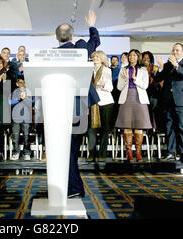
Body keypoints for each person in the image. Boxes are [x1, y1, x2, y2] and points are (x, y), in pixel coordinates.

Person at [56, 10, 100, 198]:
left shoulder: (52, 56)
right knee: (70, 151)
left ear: (56, 37)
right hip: (79, 108)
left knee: (66, 152)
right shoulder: (80, 49)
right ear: (72, 36)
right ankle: (74, 188)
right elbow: (95, 42)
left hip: (60, 108)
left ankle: (73, 188)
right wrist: (91, 25)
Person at [156, 43, 183, 163]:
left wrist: (176, 65)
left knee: (182, 126)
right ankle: (170, 151)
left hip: (182, 100)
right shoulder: (168, 65)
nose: (175, 52)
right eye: (173, 50)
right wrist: (161, 67)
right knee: (169, 126)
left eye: (177, 50)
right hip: (168, 100)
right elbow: (158, 78)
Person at [115, 49, 152, 162]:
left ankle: (138, 152)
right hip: (126, 98)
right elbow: (119, 87)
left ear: (138, 57)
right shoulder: (123, 69)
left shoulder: (143, 69)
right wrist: (126, 79)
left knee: (139, 125)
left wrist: (135, 80)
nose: (132, 57)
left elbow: (145, 85)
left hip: (139, 98)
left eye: (134, 55)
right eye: (130, 55)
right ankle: (129, 152)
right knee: (127, 125)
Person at [87, 51, 114, 162]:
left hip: (105, 101)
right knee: (91, 129)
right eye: (94, 56)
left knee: (105, 129)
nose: (96, 58)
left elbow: (110, 87)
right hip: (92, 102)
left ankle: (102, 154)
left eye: (98, 56)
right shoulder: (88, 70)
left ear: (102, 58)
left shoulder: (107, 70)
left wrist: (104, 85)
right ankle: (91, 154)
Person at [8, 78, 33, 161]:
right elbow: (9, 102)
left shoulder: (30, 93)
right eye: (20, 82)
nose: (22, 84)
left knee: (26, 136)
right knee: (15, 136)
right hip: (15, 118)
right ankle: (16, 152)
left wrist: (25, 98)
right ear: (17, 84)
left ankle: (27, 153)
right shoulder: (13, 93)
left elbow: (33, 102)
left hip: (26, 117)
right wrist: (19, 99)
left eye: (24, 82)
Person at [142, 51, 163, 132]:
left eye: (147, 58)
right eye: (144, 58)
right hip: (143, 94)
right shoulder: (139, 69)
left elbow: (159, 81)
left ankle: (153, 131)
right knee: (144, 114)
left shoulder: (155, 68)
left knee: (153, 113)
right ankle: (145, 132)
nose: (146, 60)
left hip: (153, 94)